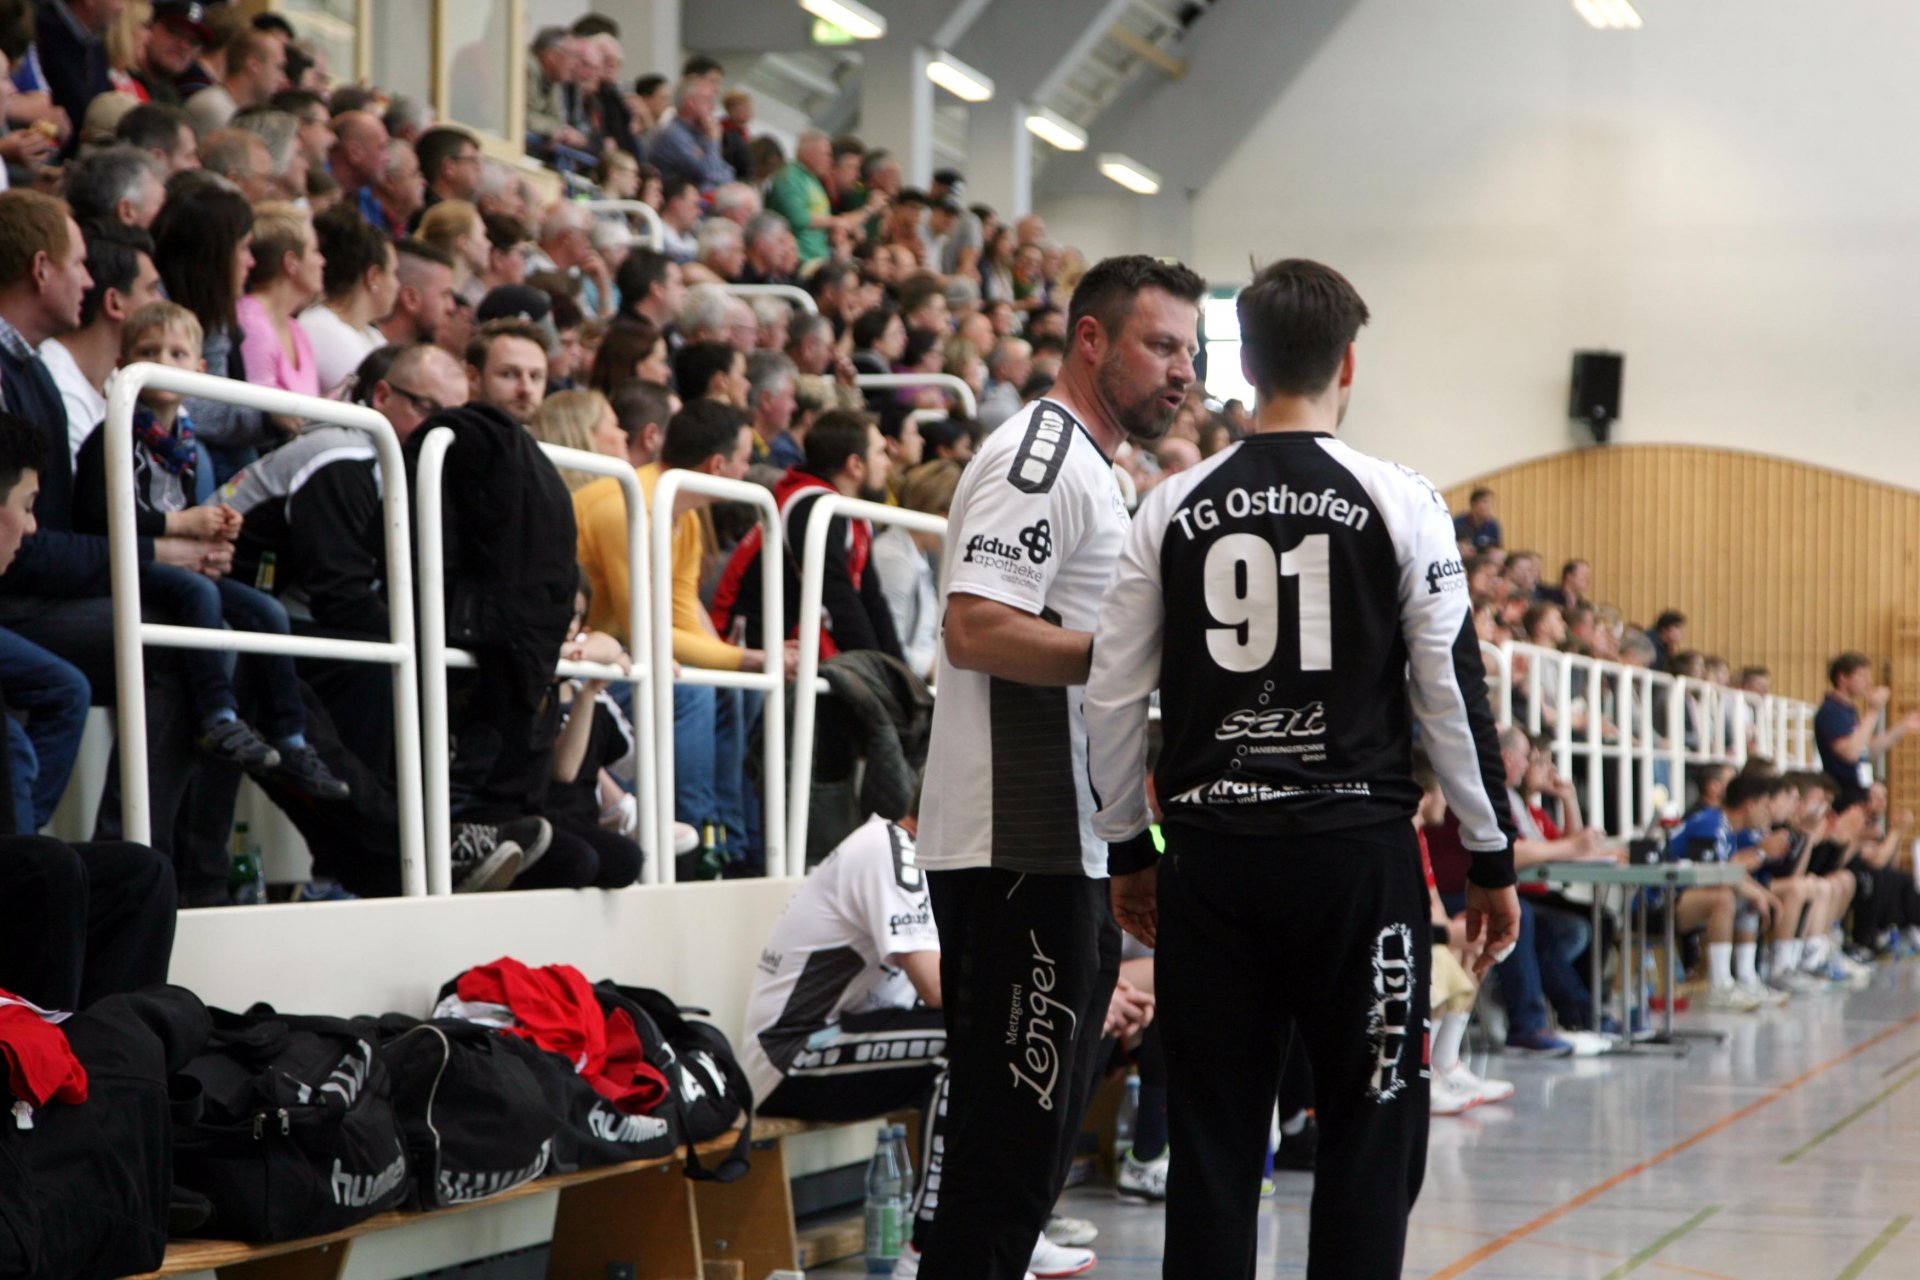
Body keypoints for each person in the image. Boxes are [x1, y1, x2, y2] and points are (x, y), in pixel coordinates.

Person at [1084, 258, 1520, 1280]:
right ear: (1348, 362)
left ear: (1245, 359)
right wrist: (1490, 855)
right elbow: (1450, 693)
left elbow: (1110, 696)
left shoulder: (1170, 504)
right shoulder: (1399, 498)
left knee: (1215, 1140)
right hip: (1352, 861)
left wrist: (1123, 848)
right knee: (1373, 1129)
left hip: (1211, 859)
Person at [911, 256, 1196, 1280]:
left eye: (1190, 353)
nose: (1181, 372)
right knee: (1007, 1157)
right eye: (1160, 345)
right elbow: (976, 625)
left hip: (1064, 842)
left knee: (1023, 1163)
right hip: (1012, 845)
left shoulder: (1097, 469)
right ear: (1091, 339)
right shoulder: (1041, 457)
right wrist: (1134, 651)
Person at [73, 300, 347, 801]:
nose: (162, 361)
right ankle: (217, 717)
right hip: (129, 562)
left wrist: (217, 527)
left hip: (174, 558)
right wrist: (184, 524)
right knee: (201, 597)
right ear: (121, 364)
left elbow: (186, 518)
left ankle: (291, 739)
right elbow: (98, 518)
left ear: (201, 369)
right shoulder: (110, 437)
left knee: (266, 611)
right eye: (148, 351)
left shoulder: (186, 443)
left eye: (177, 353)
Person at [42, 220, 163, 468]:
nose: (161, 303)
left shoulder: (116, 377)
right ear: (114, 303)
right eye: (151, 290)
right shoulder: (54, 383)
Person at [299, 205, 396, 398]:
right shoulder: (318, 327)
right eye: (394, 273)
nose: (398, 284)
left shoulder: (372, 336)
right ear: (373, 276)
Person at [235, 202, 324, 397]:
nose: (322, 261)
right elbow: (258, 410)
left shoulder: (296, 330)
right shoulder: (250, 322)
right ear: (291, 262)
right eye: (314, 251)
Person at [1815, 651, 1920, 812]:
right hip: (1842, 792)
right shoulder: (1831, 711)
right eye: (1862, 676)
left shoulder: (1849, 711)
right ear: (1843, 678)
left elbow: (1867, 750)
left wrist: (1902, 727)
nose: (1868, 682)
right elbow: (1850, 753)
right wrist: (1873, 711)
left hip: (1858, 789)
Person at [465, 317, 550, 425]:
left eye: (535, 377)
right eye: (509, 375)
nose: (526, 389)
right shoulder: (447, 436)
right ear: (473, 378)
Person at [1452, 485, 1501, 552]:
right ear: (1473, 504)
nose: (1489, 506)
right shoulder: (1459, 522)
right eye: (1485, 502)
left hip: (1484, 560)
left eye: (1490, 503)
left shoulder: (1493, 525)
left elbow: (1497, 548)